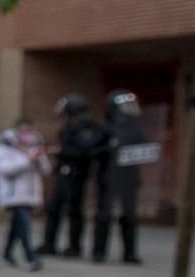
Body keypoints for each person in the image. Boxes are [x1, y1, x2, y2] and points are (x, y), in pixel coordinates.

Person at [39, 93, 107, 258]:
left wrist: (61, 151)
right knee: (53, 209)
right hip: (64, 173)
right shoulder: (73, 125)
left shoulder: (84, 127)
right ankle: (49, 244)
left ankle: (74, 247)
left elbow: (84, 152)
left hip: (75, 174)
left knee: (73, 211)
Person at [93, 90, 148, 265]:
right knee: (104, 215)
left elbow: (145, 148)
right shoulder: (104, 127)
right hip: (108, 177)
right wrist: (110, 148)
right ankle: (99, 252)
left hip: (129, 177)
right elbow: (92, 150)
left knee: (129, 216)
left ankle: (129, 253)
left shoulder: (135, 128)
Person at [0, 118, 49, 271]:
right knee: (24, 224)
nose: (27, 134)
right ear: (17, 131)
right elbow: (5, 169)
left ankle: (6, 254)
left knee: (16, 225)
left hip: (31, 194)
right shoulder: (5, 146)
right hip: (13, 195)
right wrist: (27, 160)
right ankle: (31, 257)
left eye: (29, 131)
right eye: (24, 131)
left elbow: (46, 170)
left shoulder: (35, 146)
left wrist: (39, 159)